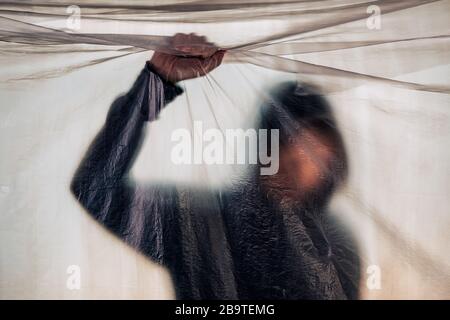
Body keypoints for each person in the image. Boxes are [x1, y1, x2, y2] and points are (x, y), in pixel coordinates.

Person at [71, 33, 360, 299]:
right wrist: (154, 83)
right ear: (265, 150)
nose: (301, 162)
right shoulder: (201, 224)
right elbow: (95, 189)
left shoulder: (336, 245)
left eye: (314, 151)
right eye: (291, 144)